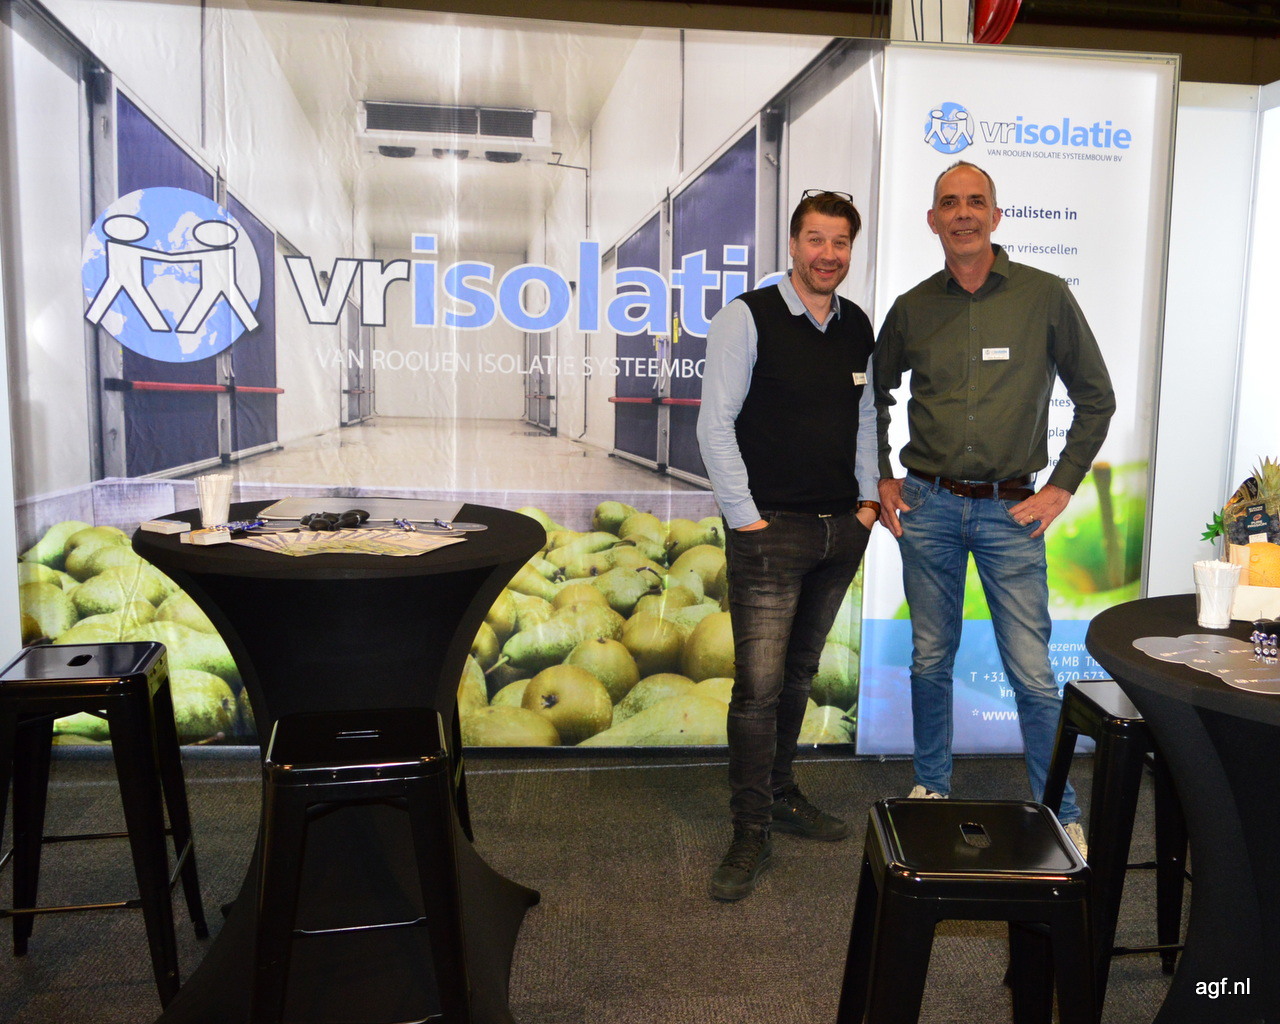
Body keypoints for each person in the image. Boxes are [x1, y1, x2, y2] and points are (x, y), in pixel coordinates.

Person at [873, 161, 1115, 854]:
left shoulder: (1045, 296)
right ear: (933, 220)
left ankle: (1059, 806)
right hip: (928, 506)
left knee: (1032, 671)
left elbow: (1096, 397)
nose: (963, 213)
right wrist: (880, 476)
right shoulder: (914, 307)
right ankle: (931, 785)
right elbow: (872, 396)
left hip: (1013, 511)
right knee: (930, 658)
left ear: (996, 215)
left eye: (975, 201)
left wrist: (1061, 486)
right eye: (949, 203)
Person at [697, 190, 879, 901]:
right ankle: (748, 830)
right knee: (759, 690)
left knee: (799, 675)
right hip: (771, 533)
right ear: (794, 244)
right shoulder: (747, 317)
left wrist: (867, 504)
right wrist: (746, 519)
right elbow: (715, 426)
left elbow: (865, 420)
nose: (827, 255)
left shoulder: (856, 324)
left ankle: (778, 792)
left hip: (840, 532)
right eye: (815, 240)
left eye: (840, 242)